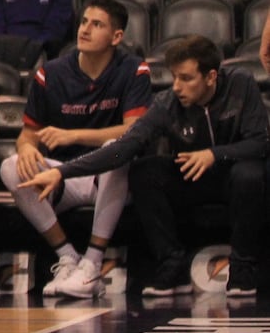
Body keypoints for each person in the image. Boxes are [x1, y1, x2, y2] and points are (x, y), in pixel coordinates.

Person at [20, 35, 267, 297]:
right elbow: (122, 149)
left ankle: (242, 269)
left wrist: (214, 155)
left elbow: (261, 143)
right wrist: (61, 172)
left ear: (211, 77)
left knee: (249, 174)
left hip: (235, 177)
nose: (177, 87)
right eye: (174, 78)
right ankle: (172, 264)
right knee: (143, 172)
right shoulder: (167, 104)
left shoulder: (240, 84)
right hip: (192, 177)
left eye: (186, 78)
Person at [0, 0, 152, 298]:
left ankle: (93, 263)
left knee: (116, 148)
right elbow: (29, 133)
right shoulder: (51, 72)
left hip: (107, 177)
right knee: (10, 165)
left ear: (116, 37)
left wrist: (73, 136)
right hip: (62, 178)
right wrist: (27, 148)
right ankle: (68, 258)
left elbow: (135, 131)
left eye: (97, 25)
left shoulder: (134, 69)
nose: (86, 29)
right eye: (84, 22)